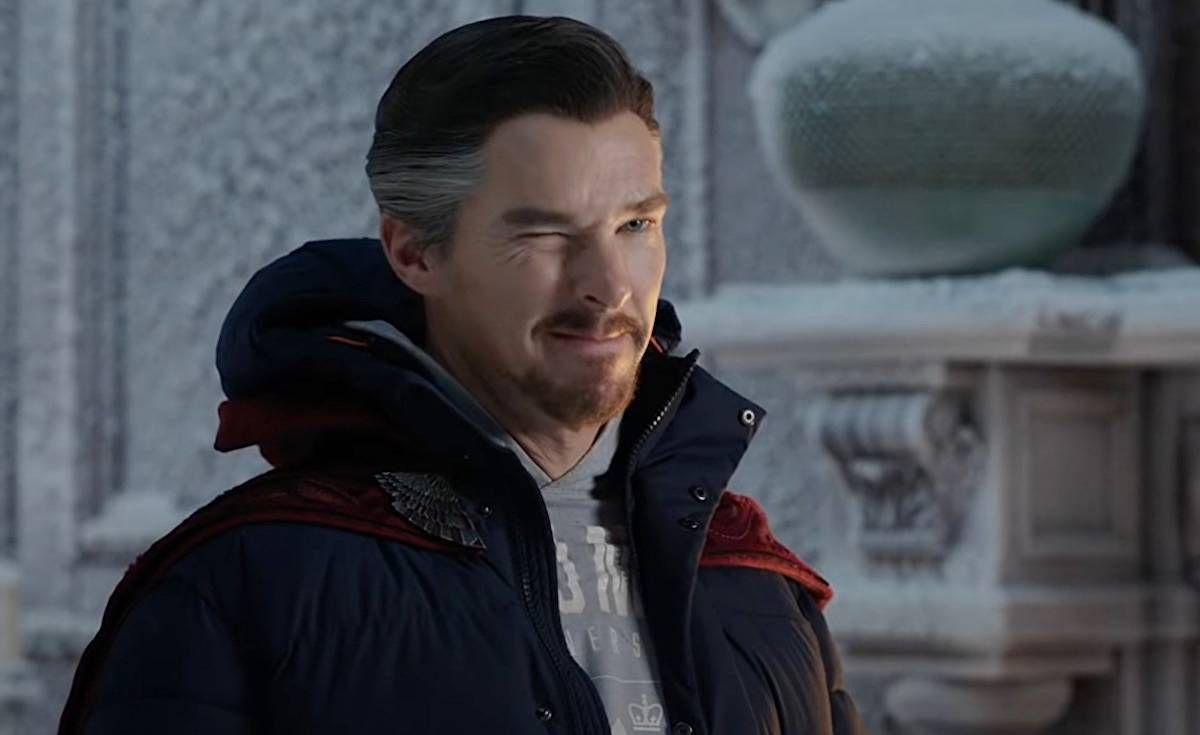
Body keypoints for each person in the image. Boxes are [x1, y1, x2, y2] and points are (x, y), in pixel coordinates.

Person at [60, 15, 864, 735]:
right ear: (415, 253)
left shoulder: (755, 582)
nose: (609, 286)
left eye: (635, 225)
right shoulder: (241, 584)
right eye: (545, 235)